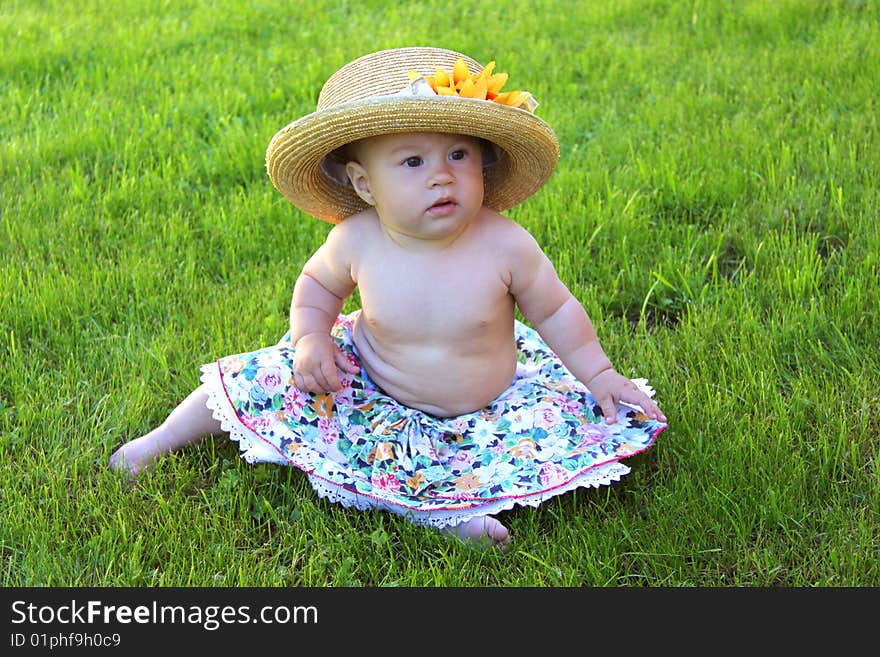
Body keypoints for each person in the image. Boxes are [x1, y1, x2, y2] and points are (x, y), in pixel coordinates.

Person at [110, 46, 667, 549]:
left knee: (513, 441)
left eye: (458, 155)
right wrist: (308, 339)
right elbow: (318, 287)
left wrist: (599, 375)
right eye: (412, 162)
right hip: (372, 385)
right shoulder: (357, 239)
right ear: (364, 185)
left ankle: (442, 513)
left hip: (486, 406)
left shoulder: (505, 243)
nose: (442, 178)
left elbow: (555, 310)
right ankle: (162, 440)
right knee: (259, 378)